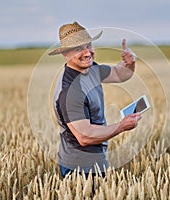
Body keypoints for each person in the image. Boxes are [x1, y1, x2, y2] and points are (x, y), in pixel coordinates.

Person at [49, 21, 141, 178]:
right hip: (79, 168)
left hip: (97, 160)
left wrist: (129, 63)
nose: (87, 53)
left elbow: (120, 74)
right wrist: (121, 126)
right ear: (66, 54)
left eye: (88, 46)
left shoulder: (92, 70)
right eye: (78, 49)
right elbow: (84, 136)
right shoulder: (70, 91)